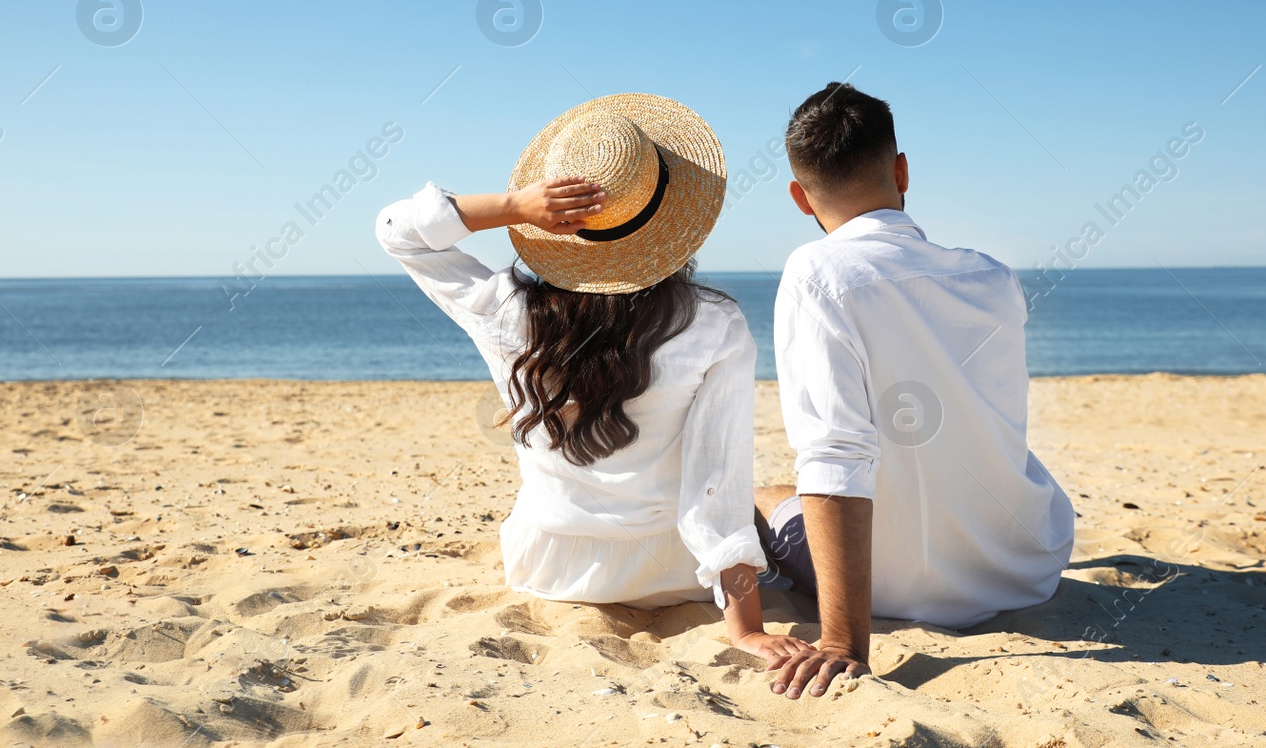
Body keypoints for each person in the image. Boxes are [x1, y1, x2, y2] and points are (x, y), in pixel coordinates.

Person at [374, 93, 808, 663]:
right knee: (773, 500)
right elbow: (716, 484)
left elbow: (396, 230)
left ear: (553, 221)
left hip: (548, 569)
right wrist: (746, 630)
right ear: (673, 216)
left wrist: (512, 206)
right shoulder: (713, 323)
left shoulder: (505, 309)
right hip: (674, 574)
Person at [760, 82, 1076, 699]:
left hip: (898, 588)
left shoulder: (816, 271)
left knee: (761, 494)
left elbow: (835, 455)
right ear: (902, 170)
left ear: (800, 197)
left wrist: (843, 643)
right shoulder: (992, 275)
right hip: (1025, 569)